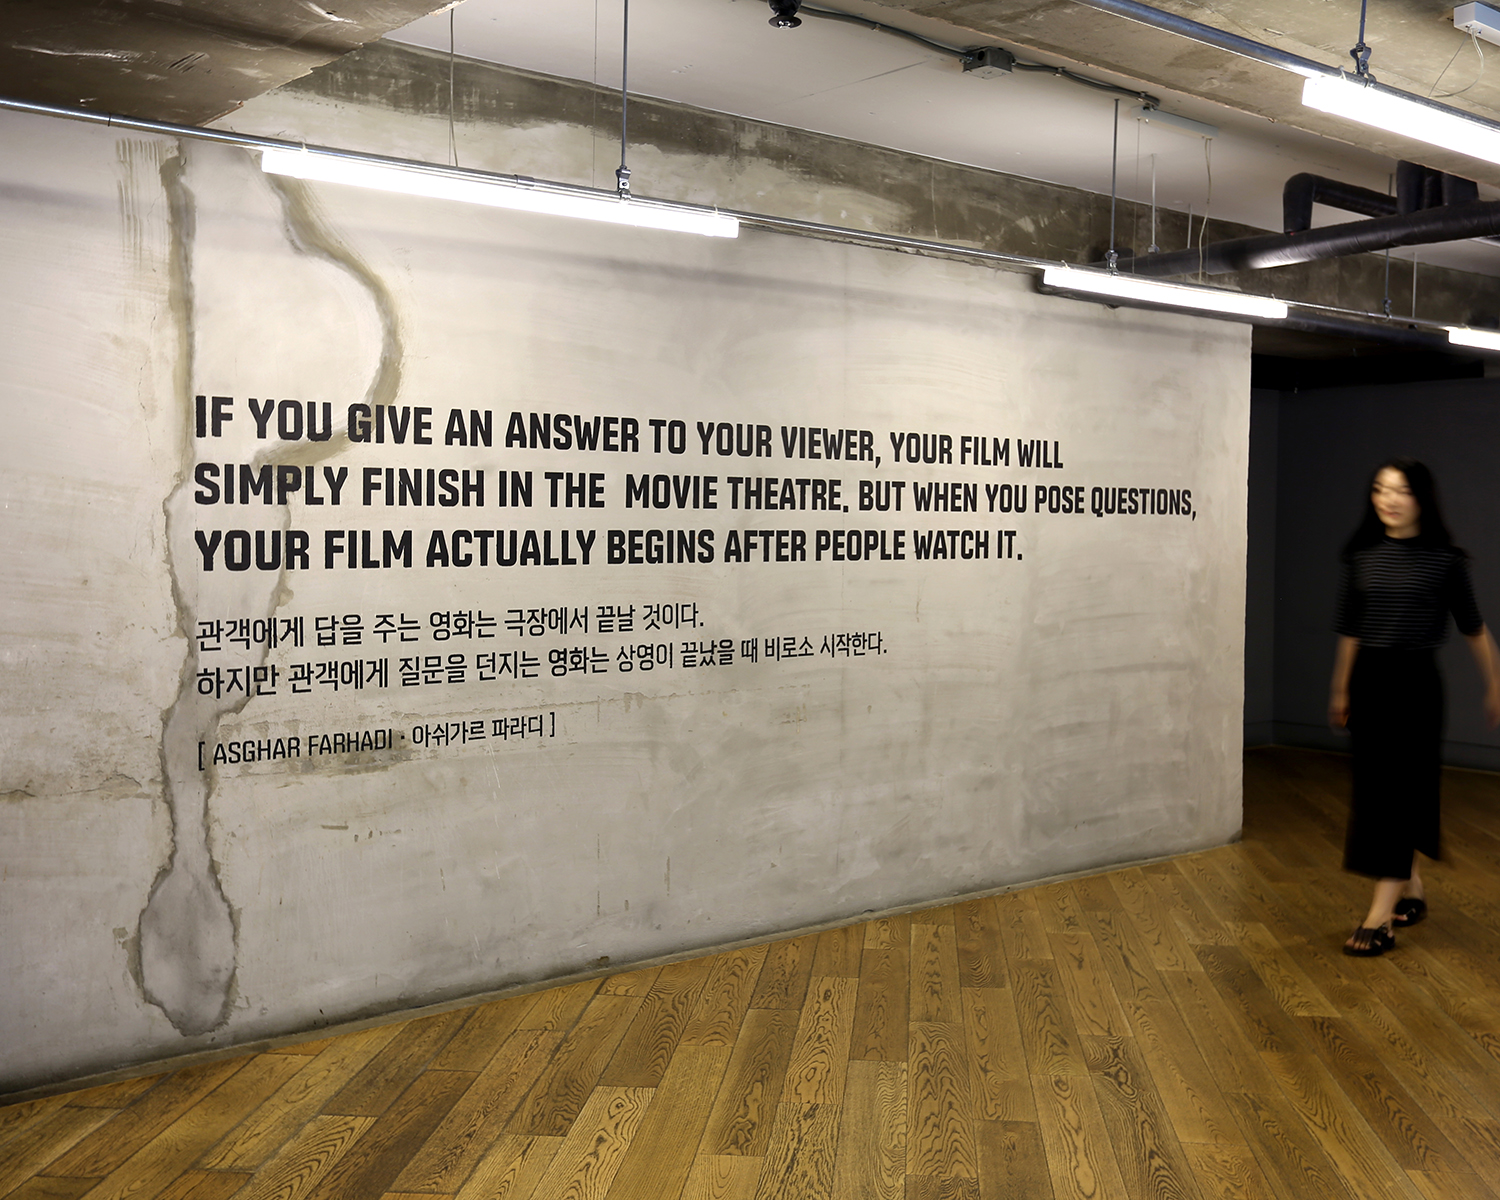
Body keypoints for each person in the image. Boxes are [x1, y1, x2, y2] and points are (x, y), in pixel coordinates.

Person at [1328, 458, 1500, 955]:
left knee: (1401, 793)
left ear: (1422, 498)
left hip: (1416, 687)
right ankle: (1412, 886)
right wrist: (1340, 688)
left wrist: (1494, 684)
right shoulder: (1361, 556)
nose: (1389, 499)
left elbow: (1474, 628)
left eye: (1401, 490)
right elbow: (1350, 629)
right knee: (1379, 793)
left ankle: (1379, 917)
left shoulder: (1446, 561)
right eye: (1380, 489)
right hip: (1370, 684)